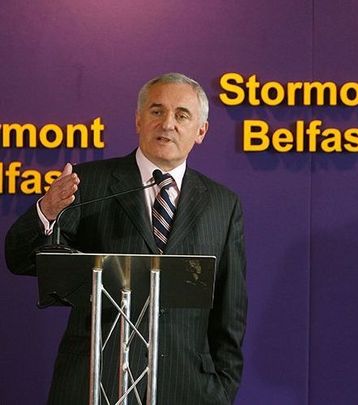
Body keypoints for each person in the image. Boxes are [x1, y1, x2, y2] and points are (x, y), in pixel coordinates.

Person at [5, 73, 247, 404]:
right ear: (138, 120)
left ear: (201, 131)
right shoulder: (88, 183)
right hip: (94, 383)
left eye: (182, 115)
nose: (168, 124)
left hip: (185, 388)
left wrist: (222, 389)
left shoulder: (222, 204)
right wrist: (46, 210)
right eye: (157, 111)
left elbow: (229, 311)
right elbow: (20, 258)